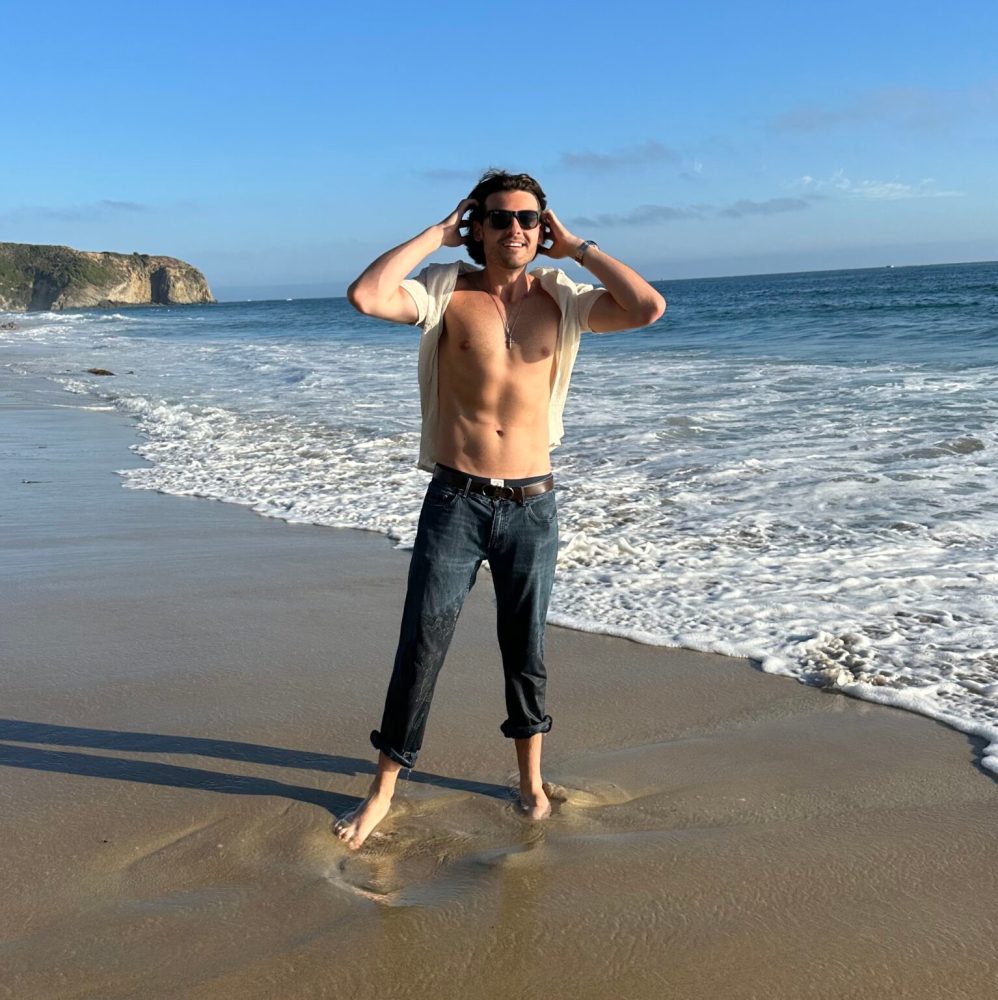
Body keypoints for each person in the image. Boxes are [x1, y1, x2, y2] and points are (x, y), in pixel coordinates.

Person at [336, 169, 665, 849]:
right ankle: (382, 791)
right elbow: (366, 296)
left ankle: (531, 784)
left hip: (533, 505)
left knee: (527, 652)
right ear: (477, 227)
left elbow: (647, 308)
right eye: (499, 218)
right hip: (455, 500)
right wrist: (435, 233)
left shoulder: (563, 298)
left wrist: (577, 247)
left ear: (541, 230)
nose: (514, 229)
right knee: (422, 646)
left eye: (527, 219)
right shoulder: (445, 292)